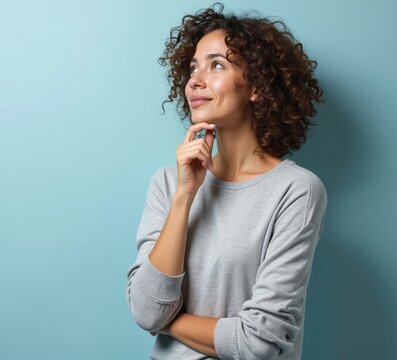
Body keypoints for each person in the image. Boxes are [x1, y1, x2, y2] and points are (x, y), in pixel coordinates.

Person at [125, 2, 328, 360]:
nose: (195, 80)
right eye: (192, 68)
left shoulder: (296, 190)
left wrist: (167, 320)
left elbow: (259, 343)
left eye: (216, 64)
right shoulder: (167, 183)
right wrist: (185, 196)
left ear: (257, 87)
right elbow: (145, 310)